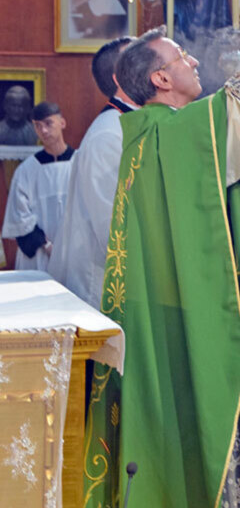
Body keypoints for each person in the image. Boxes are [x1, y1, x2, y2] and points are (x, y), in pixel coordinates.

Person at [83, 0, 240, 508]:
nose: (192, 61)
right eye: (181, 56)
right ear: (159, 77)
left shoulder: (151, 135)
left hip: (160, 315)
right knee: (201, 439)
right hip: (183, 324)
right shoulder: (171, 136)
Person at [48, 36, 137, 308]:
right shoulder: (109, 135)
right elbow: (115, 231)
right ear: (121, 78)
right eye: (141, 58)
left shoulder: (127, 126)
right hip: (100, 293)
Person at [2, 101, 75, 270]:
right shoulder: (26, 171)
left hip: (74, 253)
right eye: (37, 126)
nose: (43, 130)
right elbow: (19, 216)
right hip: (40, 256)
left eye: (48, 123)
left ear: (62, 123)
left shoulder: (80, 162)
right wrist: (47, 246)